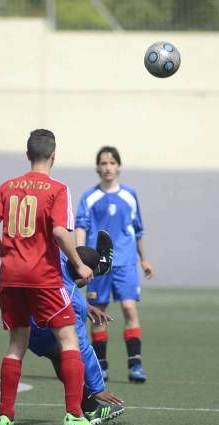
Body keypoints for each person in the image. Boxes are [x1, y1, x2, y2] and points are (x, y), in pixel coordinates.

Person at [0, 128, 103, 425]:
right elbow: (61, 233)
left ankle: (5, 417)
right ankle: (74, 414)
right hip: (43, 277)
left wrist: (6, 253)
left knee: (16, 345)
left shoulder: (8, 186)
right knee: (69, 340)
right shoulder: (58, 189)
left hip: (11, 277)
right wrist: (78, 265)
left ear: (27, 155)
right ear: (53, 156)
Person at [75, 146, 154, 383]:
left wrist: (143, 259)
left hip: (126, 262)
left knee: (130, 309)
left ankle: (135, 365)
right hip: (99, 265)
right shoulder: (89, 197)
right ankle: (101, 366)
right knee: (98, 314)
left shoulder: (130, 195)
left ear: (119, 166)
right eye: (103, 163)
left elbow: (137, 229)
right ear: (97, 167)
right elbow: (81, 226)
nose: (108, 167)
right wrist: (80, 257)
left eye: (112, 162)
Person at [29, 239, 126, 425]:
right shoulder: (75, 303)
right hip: (43, 332)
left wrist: (87, 305)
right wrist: (98, 387)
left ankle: (89, 407)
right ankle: (89, 407)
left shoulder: (58, 257)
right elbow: (82, 347)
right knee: (69, 353)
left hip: (27, 325)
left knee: (58, 358)